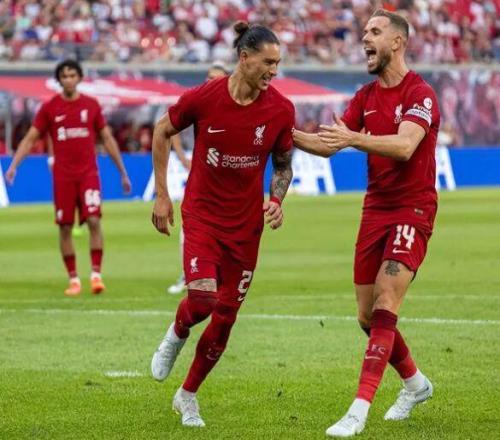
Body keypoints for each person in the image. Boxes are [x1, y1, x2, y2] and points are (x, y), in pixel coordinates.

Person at [293, 9, 440, 437]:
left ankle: (358, 410)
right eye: (364, 32)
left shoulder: (420, 93)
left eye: (374, 32)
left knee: (385, 302)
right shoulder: (365, 96)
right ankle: (416, 384)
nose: (365, 39)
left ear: (397, 42)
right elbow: (329, 144)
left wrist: (354, 139)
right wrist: (283, 133)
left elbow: (406, 145)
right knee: (365, 316)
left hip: (413, 209)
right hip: (375, 209)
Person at [150, 22, 294, 427]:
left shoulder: (281, 109)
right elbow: (161, 130)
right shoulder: (205, 97)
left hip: (246, 228)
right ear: (244, 58)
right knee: (202, 302)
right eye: (268, 62)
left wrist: (276, 200)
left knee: (226, 317)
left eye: (278, 64)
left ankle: (187, 395)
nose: (273, 71)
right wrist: (162, 195)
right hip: (203, 216)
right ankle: (177, 333)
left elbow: (283, 165)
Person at [5, 59, 131, 296]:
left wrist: (122, 172)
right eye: (64, 76)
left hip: (88, 174)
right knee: (64, 227)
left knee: (94, 220)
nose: (69, 80)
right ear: (59, 80)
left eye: (72, 75)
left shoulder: (91, 105)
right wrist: (14, 166)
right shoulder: (50, 108)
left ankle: (96, 275)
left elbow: (107, 138)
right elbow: (31, 138)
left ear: (80, 78)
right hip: (63, 177)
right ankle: (73, 279)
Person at [167, 61, 229, 295]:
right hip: (202, 176)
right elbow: (169, 128)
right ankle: (188, 273)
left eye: (216, 78)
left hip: (229, 179)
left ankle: (222, 276)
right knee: (191, 226)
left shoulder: (238, 106)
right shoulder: (200, 102)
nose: (211, 82)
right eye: (208, 77)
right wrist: (183, 158)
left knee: (226, 230)